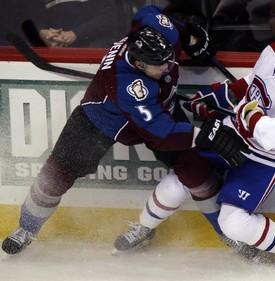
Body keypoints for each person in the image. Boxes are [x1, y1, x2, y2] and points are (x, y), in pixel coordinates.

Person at [1, 5, 250, 256]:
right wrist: (206, 135)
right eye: (159, 66)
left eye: (168, 59)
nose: (168, 68)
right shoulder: (129, 85)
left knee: (197, 170)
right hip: (101, 121)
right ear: (139, 63)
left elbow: (148, 11)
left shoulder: (162, 32)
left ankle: (229, 233)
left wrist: (191, 36)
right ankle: (26, 228)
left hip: (159, 110)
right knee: (56, 175)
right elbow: (162, 134)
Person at [117, 26, 275, 270]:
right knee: (178, 183)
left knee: (233, 223)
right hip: (234, 132)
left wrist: (245, 109)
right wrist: (220, 96)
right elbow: (254, 83)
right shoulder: (274, 50)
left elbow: (272, 137)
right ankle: (144, 228)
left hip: (268, 157)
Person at [22, 0, 117, 48]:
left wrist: (75, 34)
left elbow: (108, 18)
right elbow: (32, 17)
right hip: (51, 51)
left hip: (93, 50)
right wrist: (42, 32)